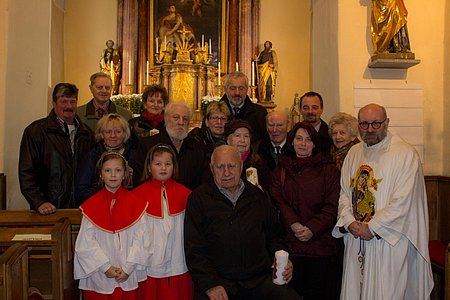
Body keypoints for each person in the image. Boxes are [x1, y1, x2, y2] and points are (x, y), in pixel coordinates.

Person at [332, 103, 434, 299]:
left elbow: (404, 202)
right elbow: (345, 193)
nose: (369, 129)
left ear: (387, 123)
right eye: (364, 124)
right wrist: (349, 221)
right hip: (356, 238)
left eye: (376, 124)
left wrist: (373, 227)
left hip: (388, 241)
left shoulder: (404, 154)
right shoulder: (353, 153)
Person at [184, 145, 300, 300]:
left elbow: (275, 236)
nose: (226, 173)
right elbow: (194, 248)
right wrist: (210, 284)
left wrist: (284, 261)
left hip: (259, 278)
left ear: (241, 166)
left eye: (231, 166)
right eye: (220, 167)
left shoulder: (258, 195)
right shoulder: (198, 199)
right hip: (220, 280)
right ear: (212, 168)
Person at [269, 122, 340, 299]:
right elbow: (277, 200)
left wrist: (311, 229)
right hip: (291, 246)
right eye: (299, 139)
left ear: (315, 143)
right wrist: (293, 223)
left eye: (308, 140)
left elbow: (332, 205)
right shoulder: (281, 169)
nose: (303, 143)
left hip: (320, 247)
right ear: (291, 142)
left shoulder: (328, 169)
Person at [74, 151, 148, 300]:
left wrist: (128, 268)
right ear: (101, 174)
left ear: (125, 174)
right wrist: (105, 267)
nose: (113, 175)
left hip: (128, 273)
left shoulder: (137, 204)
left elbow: (143, 240)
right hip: (100, 275)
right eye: (108, 170)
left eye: (118, 170)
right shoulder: (91, 206)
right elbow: (85, 244)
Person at [18, 83, 94, 214]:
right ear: (54, 103)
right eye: (64, 101)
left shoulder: (86, 133)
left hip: (81, 207)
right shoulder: (36, 131)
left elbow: (93, 170)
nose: (69, 106)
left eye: (72, 101)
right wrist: (39, 201)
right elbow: (27, 172)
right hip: (50, 207)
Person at [132, 144, 193, 299]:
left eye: (168, 164)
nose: (163, 168)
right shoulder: (136, 197)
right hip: (149, 262)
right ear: (149, 166)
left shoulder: (187, 195)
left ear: (174, 166)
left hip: (178, 259)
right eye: (158, 164)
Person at [130, 101, 208, 190]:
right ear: (166, 118)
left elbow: (204, 183)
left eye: (185, 119)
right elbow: (139, 180)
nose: (181, 122)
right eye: (176, 117)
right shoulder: (148, 145)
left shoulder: (198, 148)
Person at [75, 113, 138, 205]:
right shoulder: (91, 156)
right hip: (98, 206)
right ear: (101, 134)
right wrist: (107, 198)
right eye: (108, 132)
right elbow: (81, 190)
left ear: (125, 133)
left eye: (118, 131)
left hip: (128, 206)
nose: (113, 135)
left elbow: (140, 185)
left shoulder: (134, 155)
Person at [220, 71, 268, 143]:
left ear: (247, 90)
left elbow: (264, 142)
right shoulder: (215, 112)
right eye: (232, 88)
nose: (237, 93)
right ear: (225, 89)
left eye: (241, 88)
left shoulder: (260, 113)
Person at [224, 119, 268, 190]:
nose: (242, 140)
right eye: (237, 135)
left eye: (246, 136)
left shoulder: (259, 163)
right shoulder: (219, 162)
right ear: (228, 140)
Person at [299, 91, 333, 157]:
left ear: (322, 109)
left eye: (314, 108)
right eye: (306, 108)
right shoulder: (292, 136)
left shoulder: (331, 136)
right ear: (300, 110)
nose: (310, 111)